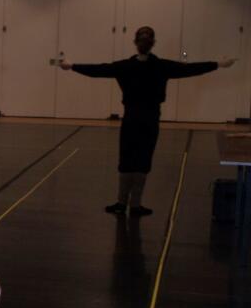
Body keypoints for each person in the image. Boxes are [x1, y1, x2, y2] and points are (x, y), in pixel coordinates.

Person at [61, 27, 236, 216]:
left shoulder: (125, 66)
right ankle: (135, 205)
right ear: (152, 44)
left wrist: (72, 66)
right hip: (150, 120)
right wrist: (218, 64)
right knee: (143, 160)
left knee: (127, 160)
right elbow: (191, 69)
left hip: (131, 119)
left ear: (135, 43)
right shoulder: (161, 66)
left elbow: (98, 70)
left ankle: (121, 203)